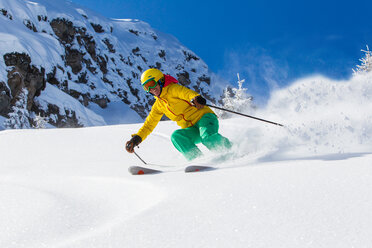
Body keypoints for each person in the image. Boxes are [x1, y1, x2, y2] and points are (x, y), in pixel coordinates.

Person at [125, 68, 232, 161]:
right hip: (192, 129)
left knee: (207, 138)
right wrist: (137, 139)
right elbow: (149, 125)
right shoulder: (158, 105)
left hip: (205, 118)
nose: (150, 89)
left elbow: (185, 93)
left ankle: (231, 150)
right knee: (177, 136)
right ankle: (198, 160)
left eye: (151, 84)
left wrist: (195, 98)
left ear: (160, 80)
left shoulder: (172, 89)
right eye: (146, 87)